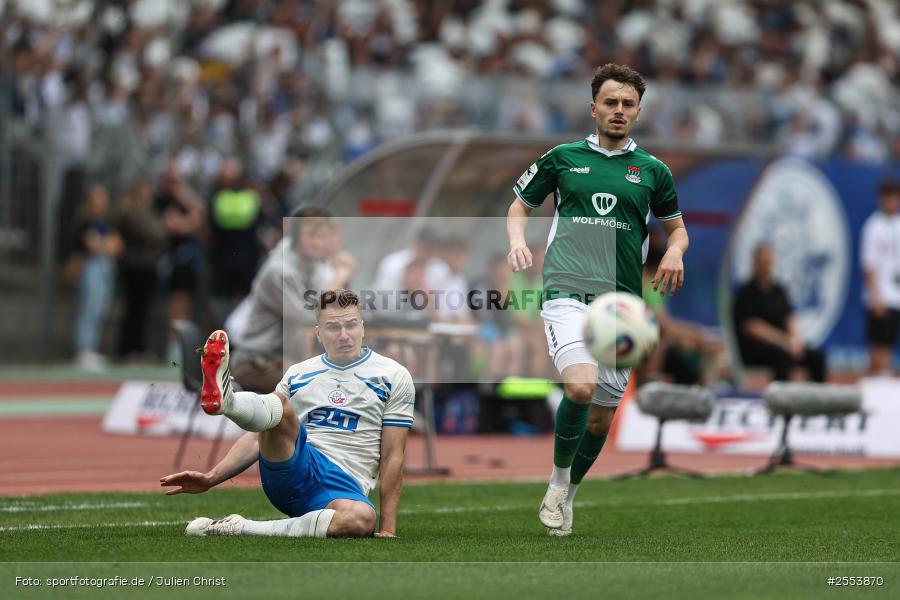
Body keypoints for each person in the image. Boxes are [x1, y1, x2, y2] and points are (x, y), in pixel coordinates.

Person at [506, 64, 689, 536]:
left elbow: (678, 230)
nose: (619, 111)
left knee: (600, 420)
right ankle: (558, 483)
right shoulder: (562, 158)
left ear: (639, 111)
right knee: (581, 389)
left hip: (623, 306)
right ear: (593, 108)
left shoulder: (653, 171)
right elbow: (519, 205)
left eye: (628, 104)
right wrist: (517, 240)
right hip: (567, 291)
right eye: (611, 102)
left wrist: (674, 252)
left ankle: (566, 493)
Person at [160, 289, 414, 538]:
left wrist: (387, 528)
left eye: (351, 325)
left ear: (362, 326)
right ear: (318, 333)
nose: (344, 335)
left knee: (361, 519)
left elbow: (393, 455)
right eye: (334, 328)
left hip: (343, 488)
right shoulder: (299, 373)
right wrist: (211, 478)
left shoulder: (393, 375)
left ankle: (241, 527)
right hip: (294, 467)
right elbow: (258, 435)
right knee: (279, 406)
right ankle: (228, 402)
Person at [228, 208, 357, 392]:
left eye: (323, 235)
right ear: (296, 236)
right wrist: (339, 277)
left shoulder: (314, 267)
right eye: (312, 235)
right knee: (325, 383)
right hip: (256, 364)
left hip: (285, 360)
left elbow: (336, 310)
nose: (318, 242)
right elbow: (309, 318)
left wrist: (344, 281)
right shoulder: (278, 270)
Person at [733, 244, 826, 383]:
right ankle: (782, 399)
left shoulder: (779, 290)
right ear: (755, 263)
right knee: (783, 357)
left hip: (784, 344)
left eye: (768, 261)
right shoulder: (746, 292)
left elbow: (789, 316)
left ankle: (816, 399)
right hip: (756, 348)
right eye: (762, 261)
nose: (766, 266)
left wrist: (796, 341)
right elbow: (752, 327)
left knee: (817, 357)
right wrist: (783, 342)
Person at [70, 184, 123, 370]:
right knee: (89, 307)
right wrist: (104, 245)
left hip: (106, 267)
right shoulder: (84, 222)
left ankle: (92, 347)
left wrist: (103, 245)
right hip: (90, 266)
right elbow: (92, 245)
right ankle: (83, 348)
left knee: (101, 308)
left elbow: (117, 246)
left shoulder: (106, 222)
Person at [115, 180, 166, 361]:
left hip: (146, 268)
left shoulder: (146, 214)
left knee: (143, 310)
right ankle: (129, 348)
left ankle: (139, 348)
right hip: (135, 268)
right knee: (134, 309)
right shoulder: (130, 215)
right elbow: (155, 233)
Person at [860, 179, 900, 375]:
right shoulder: (873, 226)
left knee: (889, 344)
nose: (892, 202)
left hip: (896, 296)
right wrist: (876, 297)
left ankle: (882, 386)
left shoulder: (898, 224)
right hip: (881, 296)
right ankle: (873, 388)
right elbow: (869, 265)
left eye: (895, 197)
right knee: (878, 346)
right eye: (888, 197)